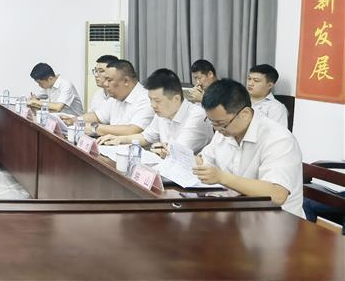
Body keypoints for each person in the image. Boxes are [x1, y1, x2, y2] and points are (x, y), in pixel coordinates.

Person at [195, 79, 304, 218]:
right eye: (212, 122)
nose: (216, 129)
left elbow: (277, 194)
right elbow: (204, 160)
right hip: (239, 213)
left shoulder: (279, 139)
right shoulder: (225, 131)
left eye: (220, 123)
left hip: (277, 220)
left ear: (245, 113)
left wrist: (222, 177)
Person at [97, 68, 214, 158]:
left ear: (176, 99)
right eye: (150, 99)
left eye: (157, 101)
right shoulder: (163, 113)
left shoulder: (197, 116)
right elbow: (146, 137)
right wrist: (120, 139)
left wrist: (158, 149)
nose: (152, 105)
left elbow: (177, 152)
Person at [63, 59, 153, 137]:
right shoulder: (115, 97)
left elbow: (132, 130)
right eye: (105, 80)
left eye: (109, 80)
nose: (105, 84)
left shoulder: (146, 99)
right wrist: (72, 120)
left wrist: (95, 128)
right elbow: (96, 116)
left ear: (126, 81)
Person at [246, 64, 289, 128]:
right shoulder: (239, 99)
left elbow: (278, 133)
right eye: (249, 79)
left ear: (270, 85)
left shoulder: (276, 108)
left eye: (256, 81)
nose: (250, 83)